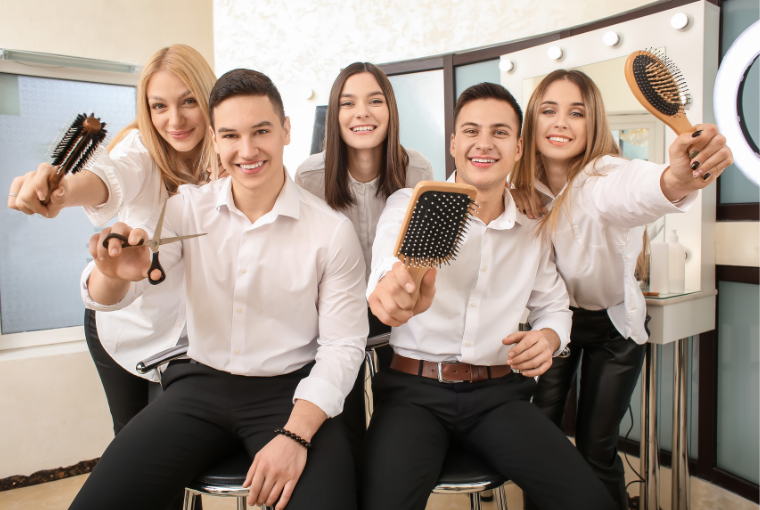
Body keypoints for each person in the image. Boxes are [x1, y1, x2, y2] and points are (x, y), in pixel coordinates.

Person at [69, 68, 367, 510]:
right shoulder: (187, 209)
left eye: (261, 131)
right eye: (230, 135)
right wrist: (117, 271)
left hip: (290, 394)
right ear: (214, 138)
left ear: (286, 130)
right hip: (199, 386)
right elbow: (117, 296)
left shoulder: (331, 231)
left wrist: (295, 434)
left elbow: (343, 346)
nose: (246, 151)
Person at [362, 82, 616, 510]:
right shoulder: (409, 204)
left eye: (499, 133)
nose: (484, 143)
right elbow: (388, 269)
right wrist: (392, 290)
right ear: (453, 143)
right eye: (471, 131)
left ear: (518, 148)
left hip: (499, 397)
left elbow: (554, 307)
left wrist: (549, 338)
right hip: (412, 395)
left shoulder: (533, 225)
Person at [509, 69, 733, 509]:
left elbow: (643, 187)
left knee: (597, 450)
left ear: (593, 125)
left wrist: (680, 178)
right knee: (540, 446)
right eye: (549, 110)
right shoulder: (518, 191)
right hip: (551, 328)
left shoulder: (603, 177)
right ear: (531, 120)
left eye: (577, 113)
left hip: (613, 327)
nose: (560, 123)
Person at [7, 44, 217, 436]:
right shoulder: (140, 149)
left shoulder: (229, 162)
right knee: (129, 439)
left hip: (187, 345)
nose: (174, 120)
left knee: (167, 450)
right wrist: (64, 192)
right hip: (122, 321)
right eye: (158, 106)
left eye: (189, 100)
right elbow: (109, 179)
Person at [295, 61, 433, 475]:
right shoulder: (310, 176)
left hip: (399, 315)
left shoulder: (418, 170)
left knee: (395, 424)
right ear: (335, 115)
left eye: (375, 101)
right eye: (348, 103)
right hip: (337, 319)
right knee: (344, 422)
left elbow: (422, 251)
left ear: (390, 109)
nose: (362, 113)